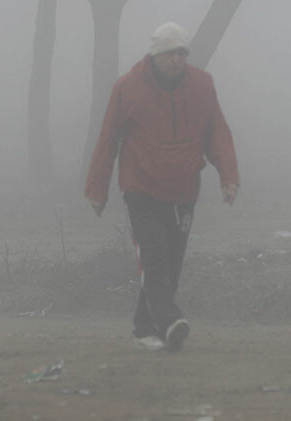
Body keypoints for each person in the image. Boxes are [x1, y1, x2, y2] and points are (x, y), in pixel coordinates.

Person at [85, 22, 239, 353]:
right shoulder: (127, 88)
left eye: (181, 54)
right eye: (170, 54)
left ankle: (145, 327)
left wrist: (229, 177)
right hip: (141, 187)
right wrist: (97, 188)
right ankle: (170, 321)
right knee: (153, 257)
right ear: (155, 56)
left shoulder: (202, 86)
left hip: (184, 188)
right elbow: (108, 139)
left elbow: (218, 133)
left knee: (171, 263)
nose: (176, 61)